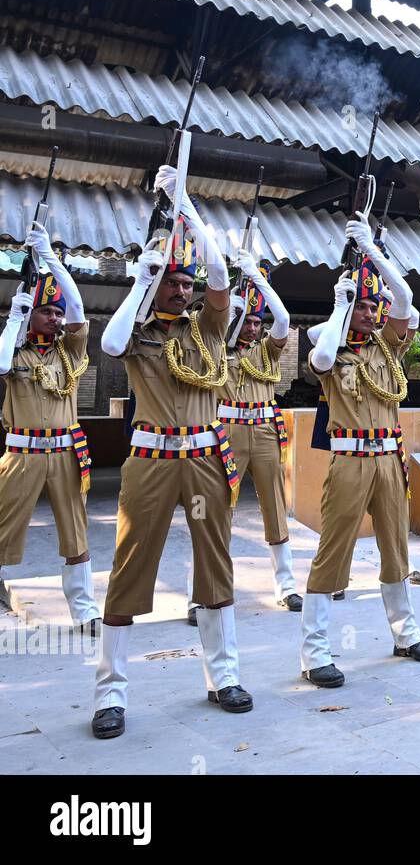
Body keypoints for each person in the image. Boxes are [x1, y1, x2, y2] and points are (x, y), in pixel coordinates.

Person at [92, 165, 248, 739]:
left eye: (185, 283)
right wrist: (141, 279)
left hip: (206, 458)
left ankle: (222, 677)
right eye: (171, 283)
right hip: (152, 461)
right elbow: (108, 345)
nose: (182, 289)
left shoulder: (207, 328)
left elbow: (219, 270)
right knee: (131, 567)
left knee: (215, 564)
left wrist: (186, 201)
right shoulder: (137, 328)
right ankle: (110, 693)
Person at [299, 216, 420, 687]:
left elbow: (406, 299)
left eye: (374, 306)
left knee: (396, 548)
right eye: (365, 306)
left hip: (388, 459)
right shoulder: (332, 349)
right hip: (349, 461)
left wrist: (373, 253)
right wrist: (340, 306)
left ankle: (406, 633)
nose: (374, 312)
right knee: (333, 551)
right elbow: (318, 357)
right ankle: (315, 651)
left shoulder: (387, 350)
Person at [0, 224, 97, 632]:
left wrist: (52, 260)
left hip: (65, 452)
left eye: (56, 313)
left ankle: (85, 609)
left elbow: (77, 310)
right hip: (22, 453)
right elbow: (1, 365)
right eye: (47, 311)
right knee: (3, 527)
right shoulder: (15, 347)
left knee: (75, 533)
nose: (56, 318)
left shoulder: (68, 350)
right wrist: (14, 319)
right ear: (31, 313)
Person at [219, 257, 300, 610]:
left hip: (266, 430)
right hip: (226, 431)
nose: (253, 328)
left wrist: (256, 278)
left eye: (256, 322)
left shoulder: (266, 351)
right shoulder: (215, 348)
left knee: (275, 506)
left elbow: (282, 320)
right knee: (217, 508)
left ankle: (285, 585)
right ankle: (207, 590)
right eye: (247, 321)